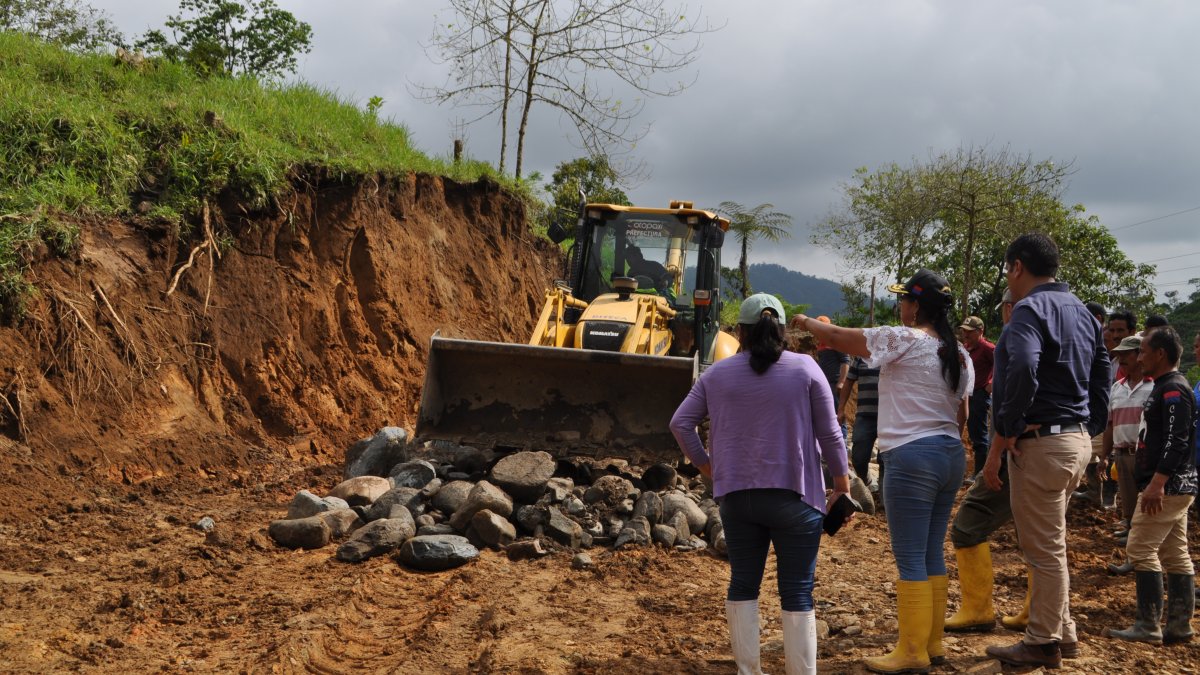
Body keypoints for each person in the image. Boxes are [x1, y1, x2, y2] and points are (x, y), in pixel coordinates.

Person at [793, 269, 973, 674]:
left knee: (910, 555)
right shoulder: (958, 353)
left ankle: (911, 652)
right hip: (949, 454)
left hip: (912, 457)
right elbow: (963, 411)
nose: (900, 306)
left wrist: (805, 322)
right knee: (930, 552)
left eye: (904, 299)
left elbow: (839, 338)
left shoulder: (905, 339)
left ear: (915, 305)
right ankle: (933, 644)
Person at [670, 293, 851, 675]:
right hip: (796, 499)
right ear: (783, 331)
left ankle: (748, 671)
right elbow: (831, 433)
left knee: (743, 584)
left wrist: (706, 466)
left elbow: (680, 423)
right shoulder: (806, 368)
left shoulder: (716, 373)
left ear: (740, 332)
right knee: (798, 590)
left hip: (736, 499)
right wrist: (841, 483)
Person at [983, 233, 1110, 669]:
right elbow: (1102, 369)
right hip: (1074, 440)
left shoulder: (1029, 311)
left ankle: (1040, 643)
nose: (1007, 277)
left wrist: (1009, 424)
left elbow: (1021, 365)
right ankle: (1066, 632)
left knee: (1044, 551)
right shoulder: (1083, 312)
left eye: (1006, 268)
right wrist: (1091, 424)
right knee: (1051, 542)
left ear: (1017, 266)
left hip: (1042, 444)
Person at [944, 288, 1035, 635]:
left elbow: (1020, 383)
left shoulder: (1016, 338)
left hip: (1020, 448)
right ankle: (1041, 615)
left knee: (968, 524)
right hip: (1059, 444)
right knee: (1041, 536)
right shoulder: (1070, 330)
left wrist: (999, 448)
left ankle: (979, 609)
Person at [1105, 327, 1197, 645]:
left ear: (1159, 354)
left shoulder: (1173, 389)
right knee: (1175, 553)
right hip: (1174, 484)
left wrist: (1157, 483)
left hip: (1167, 486)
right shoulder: (1166, 387)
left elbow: (1177, 439)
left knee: (1140, 548)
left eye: (1143, 351)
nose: (1138, 357)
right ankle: (1179, 626)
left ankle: (1148, 625)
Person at [1099, 335, 1154, 574]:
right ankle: (1136, 559)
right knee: (1130, 510)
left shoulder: (1155, 387)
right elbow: (1110, 425)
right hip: (1121, 454)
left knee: (1147, 513)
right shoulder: (1116, 388)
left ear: (1139, 357)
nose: (1120, 359)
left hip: (1145, 456)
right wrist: (1104, 455)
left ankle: (1148, 560)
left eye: (1126, 354)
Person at [960, 316, 995, 480]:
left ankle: (980, 474)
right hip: (966, 395)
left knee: (979, 435)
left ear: (980, 331)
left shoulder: (987, 348)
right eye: (964, 331)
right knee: (969, 433)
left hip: (980, 395)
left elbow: (1003, 364)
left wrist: (991, 382)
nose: (965, 334)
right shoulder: (966, 348)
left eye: (970, 332)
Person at [840, 356, 881, 486]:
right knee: (858, 458)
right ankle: (867, 483)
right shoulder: (860, 357)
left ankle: (883, 495)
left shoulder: (893, 354)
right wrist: (840, 409)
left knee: (885, 459)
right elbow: (848, 382)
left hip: (889, 417)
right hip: (864, 416)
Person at [815, 316, 850, 435]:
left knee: (837, 413)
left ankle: (843, 439)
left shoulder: (836, 342)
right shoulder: (821, 344)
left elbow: (845, 361)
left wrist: (841, 382)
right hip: (825, 383)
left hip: (834, 383)